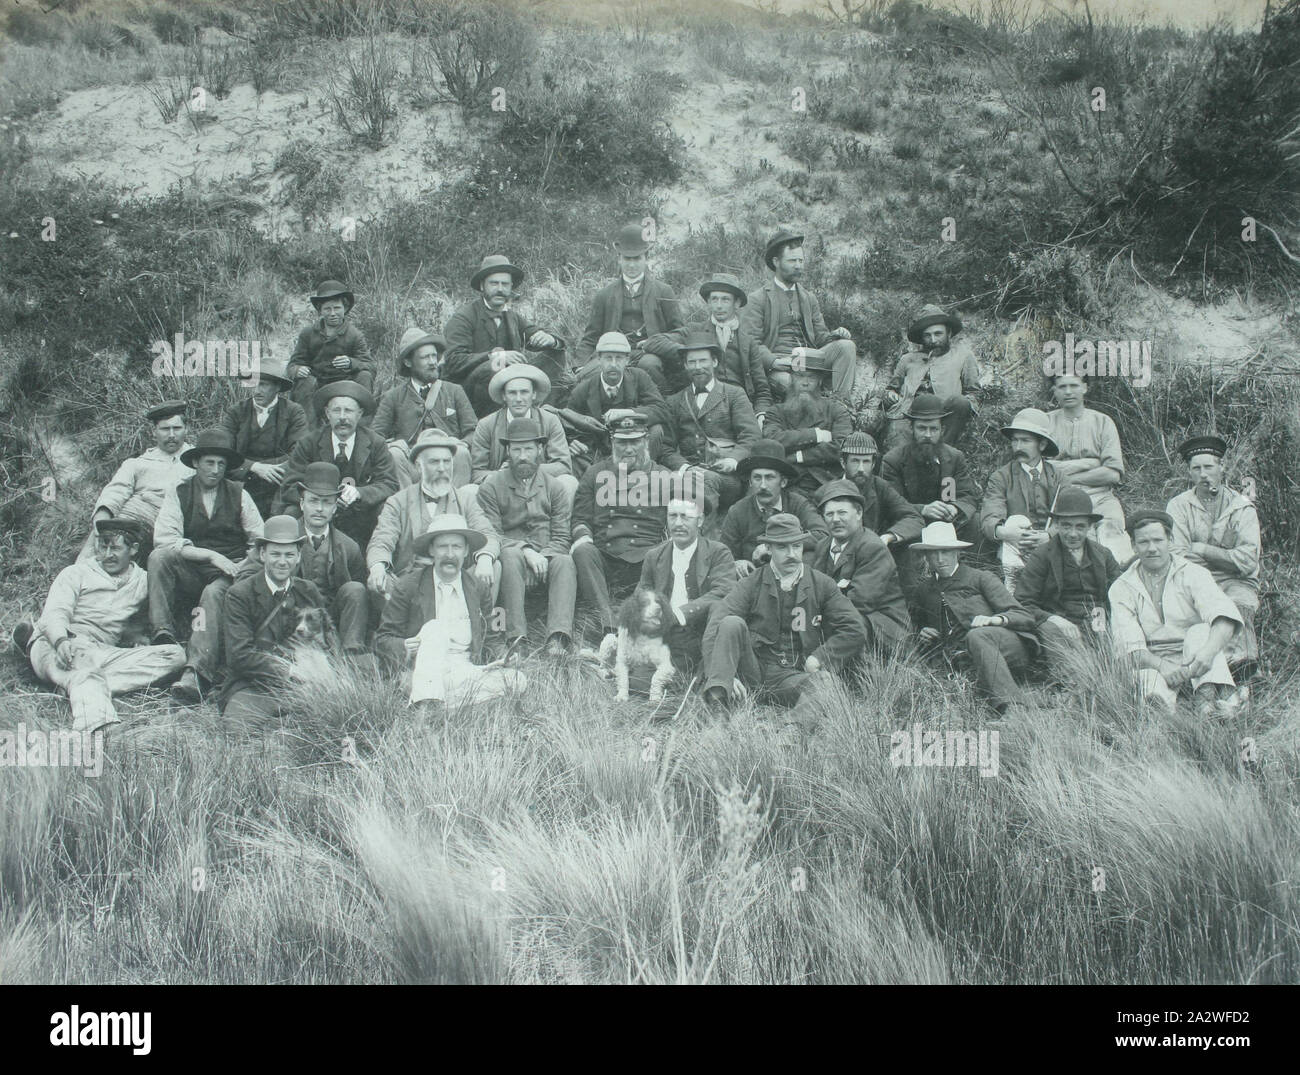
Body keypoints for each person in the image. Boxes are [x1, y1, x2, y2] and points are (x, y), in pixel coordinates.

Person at [22, 518, 185, 734]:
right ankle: (101, 726)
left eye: (116, 548)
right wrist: (60, 640)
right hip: (61, 643)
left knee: (174, 656)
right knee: (84, 666)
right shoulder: (76, 573)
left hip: (103, 651)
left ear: (134, 549)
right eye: (103, 546)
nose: (107, 554)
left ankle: (74, 686)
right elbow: (55, 614)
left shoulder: (144, 581)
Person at [701, 513, 867, 720]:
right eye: (782, 547)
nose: (791, 554)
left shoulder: (821, 584)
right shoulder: (751, 583)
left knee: (827, 683)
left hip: (793, 676)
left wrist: (821, 656)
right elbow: (715, 627)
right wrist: (723, 676)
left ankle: (787, 731)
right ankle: (718, 712)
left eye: (796, 546)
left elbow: (855, 628)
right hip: (753, 672)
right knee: (730, 623)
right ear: (769, 549)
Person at [149, 429, 264, 704]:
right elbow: (165, 539)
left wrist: (242, 565)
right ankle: (162, 638)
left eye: (221, 464)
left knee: (212, 595)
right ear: (196, 463)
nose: (215, 470)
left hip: (229, 572)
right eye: (209, 463)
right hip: (194, 567)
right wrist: (210, 556)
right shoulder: (179, 492)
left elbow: (260, 540)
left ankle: (196, 673)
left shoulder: (239, 494)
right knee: (159, 558)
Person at [375, 516, 526, 712]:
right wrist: (404, 646)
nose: (449, 554)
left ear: (466, 551)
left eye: (456, 547)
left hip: (464, 670)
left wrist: (504, 658)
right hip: (423, 670)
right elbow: (382, 639)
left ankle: (441, 706)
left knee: (516, 680)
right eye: (442, 547)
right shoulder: (408, 586)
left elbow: (491, 638)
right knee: (435, 628)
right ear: (431, 550)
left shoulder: (477, 588)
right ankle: (429, 708)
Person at [1109, 510, 1244, 718]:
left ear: (1170, 540)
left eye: (1158, 540)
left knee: (1200, 632)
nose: (1152, 548)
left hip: (1196, 656)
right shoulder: (1121, 587)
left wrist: (1206, 654)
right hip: (1153, 662)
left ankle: (1208, 706)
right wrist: (1163, 666)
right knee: (1149, 687)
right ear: (1134, 546)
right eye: (1143, 542)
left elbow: (1225, 618)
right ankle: (1164, 717)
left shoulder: (1194, 573)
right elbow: (1129, 648)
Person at [571, 413, 691, 641]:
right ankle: (609, 628)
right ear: (612, 442)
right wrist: (584, 536)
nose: (628, 449)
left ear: (646, 442)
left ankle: (644, 624)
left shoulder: (664, 476)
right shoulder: (595, 474)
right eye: (622, 442)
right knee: (582, 550)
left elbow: (684, 518)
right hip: (606, 557)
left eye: (635, 442)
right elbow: (580, 518)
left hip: (646, 559)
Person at [911, 521, 1038, 715]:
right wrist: (924, 633)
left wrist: (995, 620)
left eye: (945, 551)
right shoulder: (923, 591)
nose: (940, 559)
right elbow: (918, 626)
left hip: (1007, 648)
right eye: (933, 553)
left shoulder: (980, 578)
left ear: (957, 552)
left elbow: (1024, 616)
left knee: (977, 636)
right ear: (926, 557)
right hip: (964, 660)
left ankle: (1012, 706)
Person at [475, 418, 578, 658]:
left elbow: (562, 536)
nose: (523, 456)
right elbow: (492, 534)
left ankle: (558, 638)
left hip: (547, 558)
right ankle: (516, 638)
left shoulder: (554, 487)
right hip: (512, 558)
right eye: (517, 449)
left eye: (529, 449)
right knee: (510, 555)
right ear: (508, 451)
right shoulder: (491, 487)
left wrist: (541, 556)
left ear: (540, 450)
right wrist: (526, 552)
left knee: (565, 561)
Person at [219, 515, 328, 725]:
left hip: (303, 682)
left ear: (298, 556)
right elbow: (239, 655)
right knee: (238, 731)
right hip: (253, 684)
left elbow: (326, 637)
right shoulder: (240, 594)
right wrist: (290, 671)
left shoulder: (308, 590)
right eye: (275, 554)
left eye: (289, 555)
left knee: (321, 723)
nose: (282, 561)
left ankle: (288, 720)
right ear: (262, 554)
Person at [1165, 435, 1261, 672]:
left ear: (1222, 467)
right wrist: (1225, 558)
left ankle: (1242, 666)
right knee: (1191, 616)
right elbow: (1176, 555)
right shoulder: (1178, 506)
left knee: (1238, 605)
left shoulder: (1242, 507)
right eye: (1196, 468)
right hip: (1194, 580)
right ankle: (1201, 671)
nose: (1203, 474)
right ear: (1189, 472)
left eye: (1209, 467)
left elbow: (1247, 561)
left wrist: (1202, 549)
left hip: (1236, 582)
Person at [366, 430, 497, 601]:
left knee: (495, 564)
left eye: (447, 462)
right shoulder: (397, 502)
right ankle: (400, 626)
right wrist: (377, 567)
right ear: (419, 467)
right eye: (434, 462)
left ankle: (477, 625)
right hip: (411, 585)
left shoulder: (466, 500)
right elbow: (381, 540)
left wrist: (485, 559)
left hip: (456, 582)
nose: (442, 468)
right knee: (379, 580)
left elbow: (488, 533)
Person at [277, 381, 399, 549]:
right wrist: (326, 497)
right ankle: (302, 559)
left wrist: (360, 493)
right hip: (319, 510)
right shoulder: (309, 443)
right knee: (292, 513)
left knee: (384, 510)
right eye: (336, 410)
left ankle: (377, 562)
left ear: (359, 413)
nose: (342, 417)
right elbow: (290, 486)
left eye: (348, 410)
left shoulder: (376, 443)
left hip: (360, 516)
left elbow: (389, 484)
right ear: (327, 413)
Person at [442, 255, 569, 415]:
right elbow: (453, 363)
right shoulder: (464, 317)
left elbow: (535, 334)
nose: (500, 289)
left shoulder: (511, 316)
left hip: (510, 384)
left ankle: (542, 414)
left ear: (511, 288)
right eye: (494, 283)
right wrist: (495, 356)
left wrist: (550, 339)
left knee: (554, 354)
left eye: (505, 284)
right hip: (470, 392)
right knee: (496, 365)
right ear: (482, 286)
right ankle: (493, 422)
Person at [741, 229, 857, 402]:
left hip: (807, 361)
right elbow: (750, 344)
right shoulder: (758, 299)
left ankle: (842, 406)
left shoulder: (808, 298)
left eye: (801, 260)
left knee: (846, 346)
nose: (798, 266)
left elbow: (820, 338)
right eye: (792, 260)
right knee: (795, 385)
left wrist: (835, 336)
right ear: (776, 261)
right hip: (779, 366)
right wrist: (773, 362)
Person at [881, 395, 978, 592]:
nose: (927, 435)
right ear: (911, 429)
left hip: (948, 523)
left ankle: (973, 579)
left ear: (942, 430)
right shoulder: (894, 460)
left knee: (976, 522)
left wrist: (954, 507)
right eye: (921, 428)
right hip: (912, 523)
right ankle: (916, 596)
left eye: (933, 429)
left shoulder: (954, 457)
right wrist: (924, 509)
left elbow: (967, 495)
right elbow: (891, 503)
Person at [78, 400, 193, 564]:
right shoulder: (137, 463)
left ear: (186, 429)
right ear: (154, 432)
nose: (172, 435)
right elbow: (115, 492)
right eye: (165, 429)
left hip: (166, 523)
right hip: (129, 519)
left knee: (119, 550)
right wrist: (100, 525)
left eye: (177, 428)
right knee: (96, 551)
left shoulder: (196, 460)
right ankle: (79, 573)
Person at [1014, 487, 1122, 660]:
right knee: (1054, 635)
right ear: (1056, 525)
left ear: (1090, 527)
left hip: (1098, 620)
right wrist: (1054, 619)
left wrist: (1105, 619)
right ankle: (1072, 681)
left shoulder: (1103, 555)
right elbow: (1023, 602)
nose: (1073, 534)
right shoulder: (1042, 555)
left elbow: (1122, 594)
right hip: (1061, 622)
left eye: (1080, 527)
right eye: (1066, 526)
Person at [661, 333, 761, 515]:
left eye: (703, 361)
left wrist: (733, 460)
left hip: (727, 477)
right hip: (689, 472)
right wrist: (686, 467)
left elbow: (751, 436)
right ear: (685, 365)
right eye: (692, 362)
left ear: (714, 362)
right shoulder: (674, 401)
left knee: (704, 480)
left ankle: (706, 537)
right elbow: (666, 447)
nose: (698, 367)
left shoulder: (733, 394)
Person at [575, 222, 685, 389]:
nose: (632, 265)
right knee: (589, 376)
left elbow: (679, 332)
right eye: (627, 259)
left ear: (646, 258)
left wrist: (656, 342)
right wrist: (580, 365)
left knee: (650, 365)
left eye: (637, 258)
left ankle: (661, 406)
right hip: (613, 354)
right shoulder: (604, 295)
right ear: (619, 258)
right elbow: (591, 337)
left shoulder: (663, 291)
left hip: (649, 354)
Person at [643, 272, 771, 411]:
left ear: (737, 303)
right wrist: (689, 352)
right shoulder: (694, 331)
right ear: (708, 302)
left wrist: (761, 414)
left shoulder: (747, 341)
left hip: (736, 402)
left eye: (725, 300)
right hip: (700, 399)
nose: (719, 306)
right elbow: (653, 342)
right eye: (714, 299)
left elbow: (762, 390)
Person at [809, 479, 910, 652]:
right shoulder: (823, 546)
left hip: (883, 627)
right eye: (829, 514)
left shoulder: (872, 547)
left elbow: (861, 601)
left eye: (842, 513)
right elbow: (814, 589)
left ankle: (834, 668)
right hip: (841, 616)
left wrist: (820, 615)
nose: (836, 520)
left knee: (848, 623)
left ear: (859, 513)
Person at [638, 497, 736, 672]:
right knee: (638, 682)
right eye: (672, 516)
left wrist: (680, 614)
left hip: (700, 635)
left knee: (672, 677)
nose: (678, 523)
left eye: (686, 517)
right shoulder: (654, 556)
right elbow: (642, 594)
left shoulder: (718, 553)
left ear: (700, 520)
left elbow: (723, 591)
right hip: (662, 635)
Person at [371, 326, 476, 488]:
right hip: (413, 468)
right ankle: (408, 506)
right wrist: (392, 445)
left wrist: (463, 443)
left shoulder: (454, 391)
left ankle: (455, 506)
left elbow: (473, 431)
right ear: (408, 362)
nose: (433, 362)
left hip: (447, 463)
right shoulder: (393, 396)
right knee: (394, 455)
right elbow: (375, 437)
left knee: (461, 453)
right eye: (425, 357)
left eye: (434, 356)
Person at [1044, 372, 1132, 562]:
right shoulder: (1046, 422)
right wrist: (1091, 463)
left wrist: (1064, 471)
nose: (1068, 392)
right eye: (1062, 387)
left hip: (1101, 497)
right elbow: (1042, 469)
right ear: (1054, 391)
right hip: (1060, 497)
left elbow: (1113, 474)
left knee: (1113, 532)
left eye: (1074, 386)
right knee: (1076, 542)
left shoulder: (1103, 422)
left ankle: (1118, 580)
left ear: (1085, 388)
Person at [978, 408, 1062, 593]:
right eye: (1015, 440)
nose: (1017, 447)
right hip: (1014, 547)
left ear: (1041, 444)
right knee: (1017, 521)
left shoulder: (1059, 477)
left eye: (1025, 441)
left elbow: (1069, 517)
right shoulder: (1001, 477)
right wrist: (1007, 533)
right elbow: (990, 518)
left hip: (1052, 546)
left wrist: (1047, 536)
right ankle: (1012, 585)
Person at [468, 366, 576, 506]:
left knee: (569, 482)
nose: (518, 399)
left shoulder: (550, 421)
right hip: (501, 489)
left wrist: (525, 470)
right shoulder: (486, 425)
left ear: (534, 394)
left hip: (540, 487)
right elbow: (477, 472)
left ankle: (559, 527)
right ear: (504, 396)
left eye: (524, 392)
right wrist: (502, 476)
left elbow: (563, 465)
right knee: (469, 491)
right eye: (512, 393)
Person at [292, 462, 369, 656]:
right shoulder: (285, 538)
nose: (319, 509)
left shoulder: (348, 546)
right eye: (313, 501)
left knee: (355, 589)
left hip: (331, 614)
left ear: (335, 508)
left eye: (326, 503)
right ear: (302, 504)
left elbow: (357, 599)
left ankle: (350, 656)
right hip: (293, 614)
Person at [720, 439, 828, 576]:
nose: (763, 485)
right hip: (754, 580)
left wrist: (772, 547)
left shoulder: (798, 504)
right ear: (750, 482)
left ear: (783, 482)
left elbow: (822, 535)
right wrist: (737, 563)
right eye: (757, 478)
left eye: (769, 478)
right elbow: (724, 554)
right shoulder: (738, 511)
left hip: (792, 576)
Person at [881, 304, 980, 449]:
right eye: (927, 335)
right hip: (908, 415)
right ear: (921, 338)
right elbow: (891, 389)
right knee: (898, 454)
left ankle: (940, 452)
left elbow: (973, 392)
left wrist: (964, 406)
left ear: (949, 333)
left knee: (960, 402)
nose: (933, 340)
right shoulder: (907, 359)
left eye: (938, 334)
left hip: (943, 415)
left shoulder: (964, 356)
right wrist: (890, 396)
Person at [219, 359, 309, 519]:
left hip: (279, 482)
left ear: (278, 387)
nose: (257, 391)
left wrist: (269, 469)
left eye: (264, 385)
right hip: (242, 482)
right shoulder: (236, 412)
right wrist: (253, 467)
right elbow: (223, 450)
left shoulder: (294, 412)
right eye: (254, 384)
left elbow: (300, 452)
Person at [561, 331, 669, 462]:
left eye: (619, 358)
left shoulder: (639, 377)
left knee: (656, 430)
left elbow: (662, 409)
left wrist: (628, 413)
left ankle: (643, 471)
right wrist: (571, 442)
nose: (613, 364)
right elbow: (568, 422)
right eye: (608, 358)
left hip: (634, 442)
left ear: (627, 360)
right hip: (600, 449)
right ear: (599, 360)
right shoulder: (583, 389)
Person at [763, 352, 853, 496]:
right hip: (788, 483)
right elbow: (771, 440)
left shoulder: (835, 410)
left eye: (811, 377)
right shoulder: (776, 412)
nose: (805, 382)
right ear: (791, 378)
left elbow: (843, 446)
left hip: (826, 483)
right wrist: (816, 435)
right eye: (799, 376)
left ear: (819, 381)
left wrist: (799, 456)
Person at [286, 280, 374, 421]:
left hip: (345, 385)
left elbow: (370, 365)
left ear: (345, 308)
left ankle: (362, 427)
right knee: (304, 382)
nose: (333, 313)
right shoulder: (308, 333)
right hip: (316, 385)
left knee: (364, 375)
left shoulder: (355, 335)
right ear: (320, 310)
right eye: (327, 309)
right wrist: (298, 370)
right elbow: (292, 365)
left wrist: (351, 363)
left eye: (337, 308)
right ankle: (306, 433)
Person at [836, 431, 922, 549]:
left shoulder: (880, 486)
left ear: (873, 464)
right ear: (843, 463)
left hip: (874, 554)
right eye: (855, 461)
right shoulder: (828, 491)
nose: (861, 468)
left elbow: (914, 518)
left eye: (866, 461)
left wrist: (887, 537)